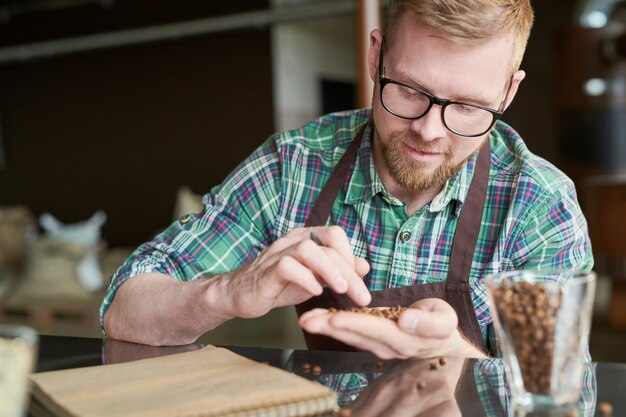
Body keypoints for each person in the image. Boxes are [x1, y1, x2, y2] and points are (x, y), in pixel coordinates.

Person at [101, 0, 593, 359]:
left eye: (466, 106)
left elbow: (556, 390)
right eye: (409, 90)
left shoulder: (538, 206)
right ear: (376, 56)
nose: (427, 130)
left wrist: (455, 357)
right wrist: (227, 292)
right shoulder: (292, 166)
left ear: (507, 92)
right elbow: (123, 309)